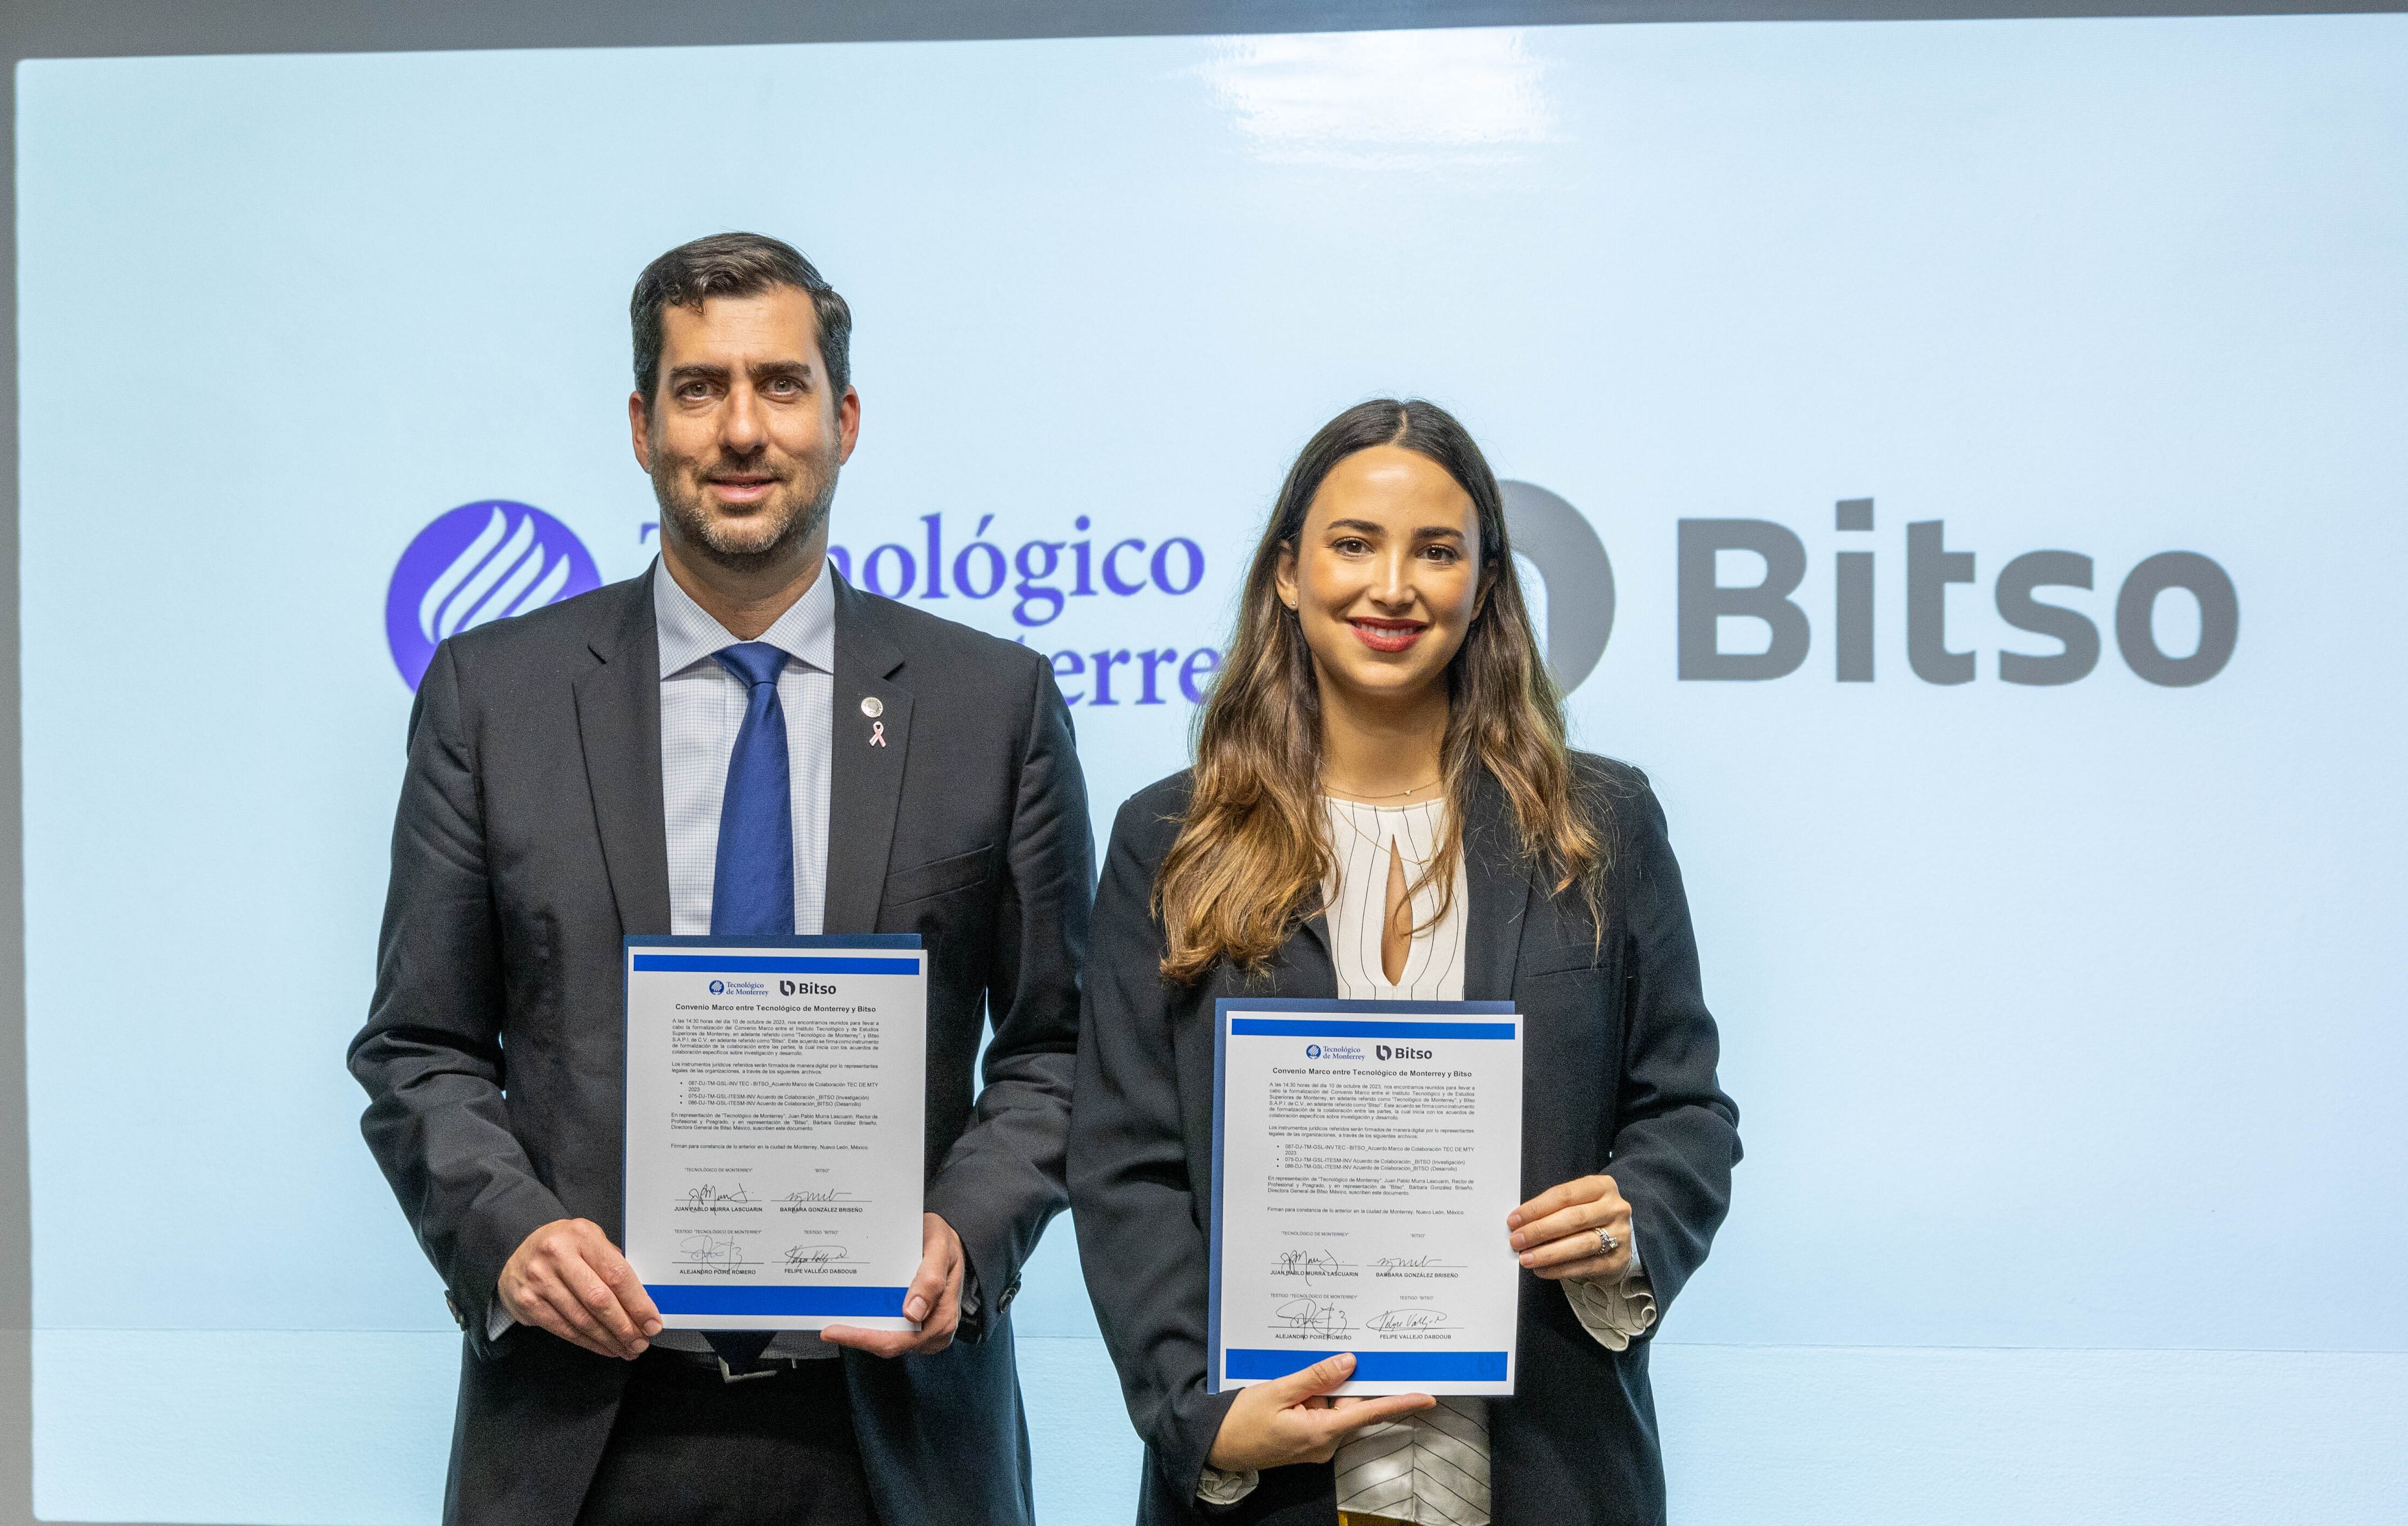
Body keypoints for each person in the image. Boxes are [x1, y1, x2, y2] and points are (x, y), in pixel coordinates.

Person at [348, 232, 1093, 1526]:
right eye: (699, 389)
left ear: (843, 420)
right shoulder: (493, 697)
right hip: (585, 1428)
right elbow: (420, 1047)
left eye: (780, 385)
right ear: (643, 426)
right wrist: (510, 1235)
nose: (741, 430)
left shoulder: (992, 704)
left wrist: (966, 1239)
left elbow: (1060, 1048)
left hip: (896, 1434)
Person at [1068, 398, 1740, 1525]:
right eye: (1353, 544)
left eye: (1436, 551)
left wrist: (1633, 1220)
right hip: (1268, 1479)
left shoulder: (1600, 824)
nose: (1393, 587)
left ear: (1485, 585)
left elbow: (1685, 1109)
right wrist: (1201, 1411)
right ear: (1288, 573)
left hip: (1548, 1467)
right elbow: (1126, 1161)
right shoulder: (1171, 838)